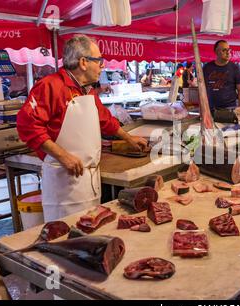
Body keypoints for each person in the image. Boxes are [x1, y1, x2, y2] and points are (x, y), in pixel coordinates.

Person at [17, 35, 149, 222]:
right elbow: (27, 125)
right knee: (64, 236)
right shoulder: (50, 86)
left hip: (89, 180)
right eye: (99, 61)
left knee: (90, 229)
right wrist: (63, 156)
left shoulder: (87, 90)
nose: (102, 66)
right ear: (84, 62)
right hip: (63, 181)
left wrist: (128, 138)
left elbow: (104, 119)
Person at [203, 40, 240, 112]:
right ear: (216, 52)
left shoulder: (235, 68)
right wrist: (203, 109)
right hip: (210, 109)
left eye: (229, 50)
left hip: (230, 109)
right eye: (224, 50)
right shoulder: (207, 67)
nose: (228, 52)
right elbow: (202, 89)